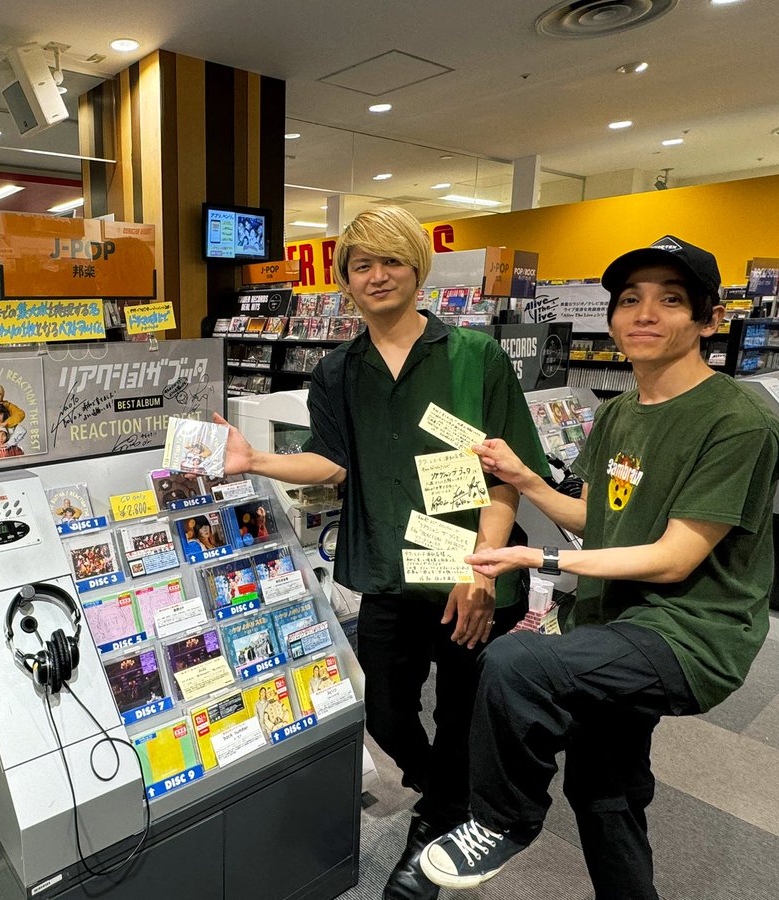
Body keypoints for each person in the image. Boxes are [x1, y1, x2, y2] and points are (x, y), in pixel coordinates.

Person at [418, 236, 779, 899]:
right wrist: (524, 476)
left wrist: (536, 555)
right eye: (630, 299)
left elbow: (675, 561)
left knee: (513, 665)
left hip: (688, 635)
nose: (644, 313)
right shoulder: (618, 412)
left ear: (709, 320)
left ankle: (502, 822)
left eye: (670, 300)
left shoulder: (740, 419)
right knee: (602, 786)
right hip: (613, 618)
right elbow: (593, 517)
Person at [217, 206, 548, 900]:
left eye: (391, 260)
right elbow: (331, 461)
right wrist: (259, 461)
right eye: (361, 264)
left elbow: (507, 476)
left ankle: (439, 820)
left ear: (416, 268)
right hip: (390, 572)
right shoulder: (339, 370)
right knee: (387, 710)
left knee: (462, 708)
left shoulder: (473, 357)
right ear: (345, 281)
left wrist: (480, 567)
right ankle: (446, 791)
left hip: (469, 572)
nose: (378, 275)